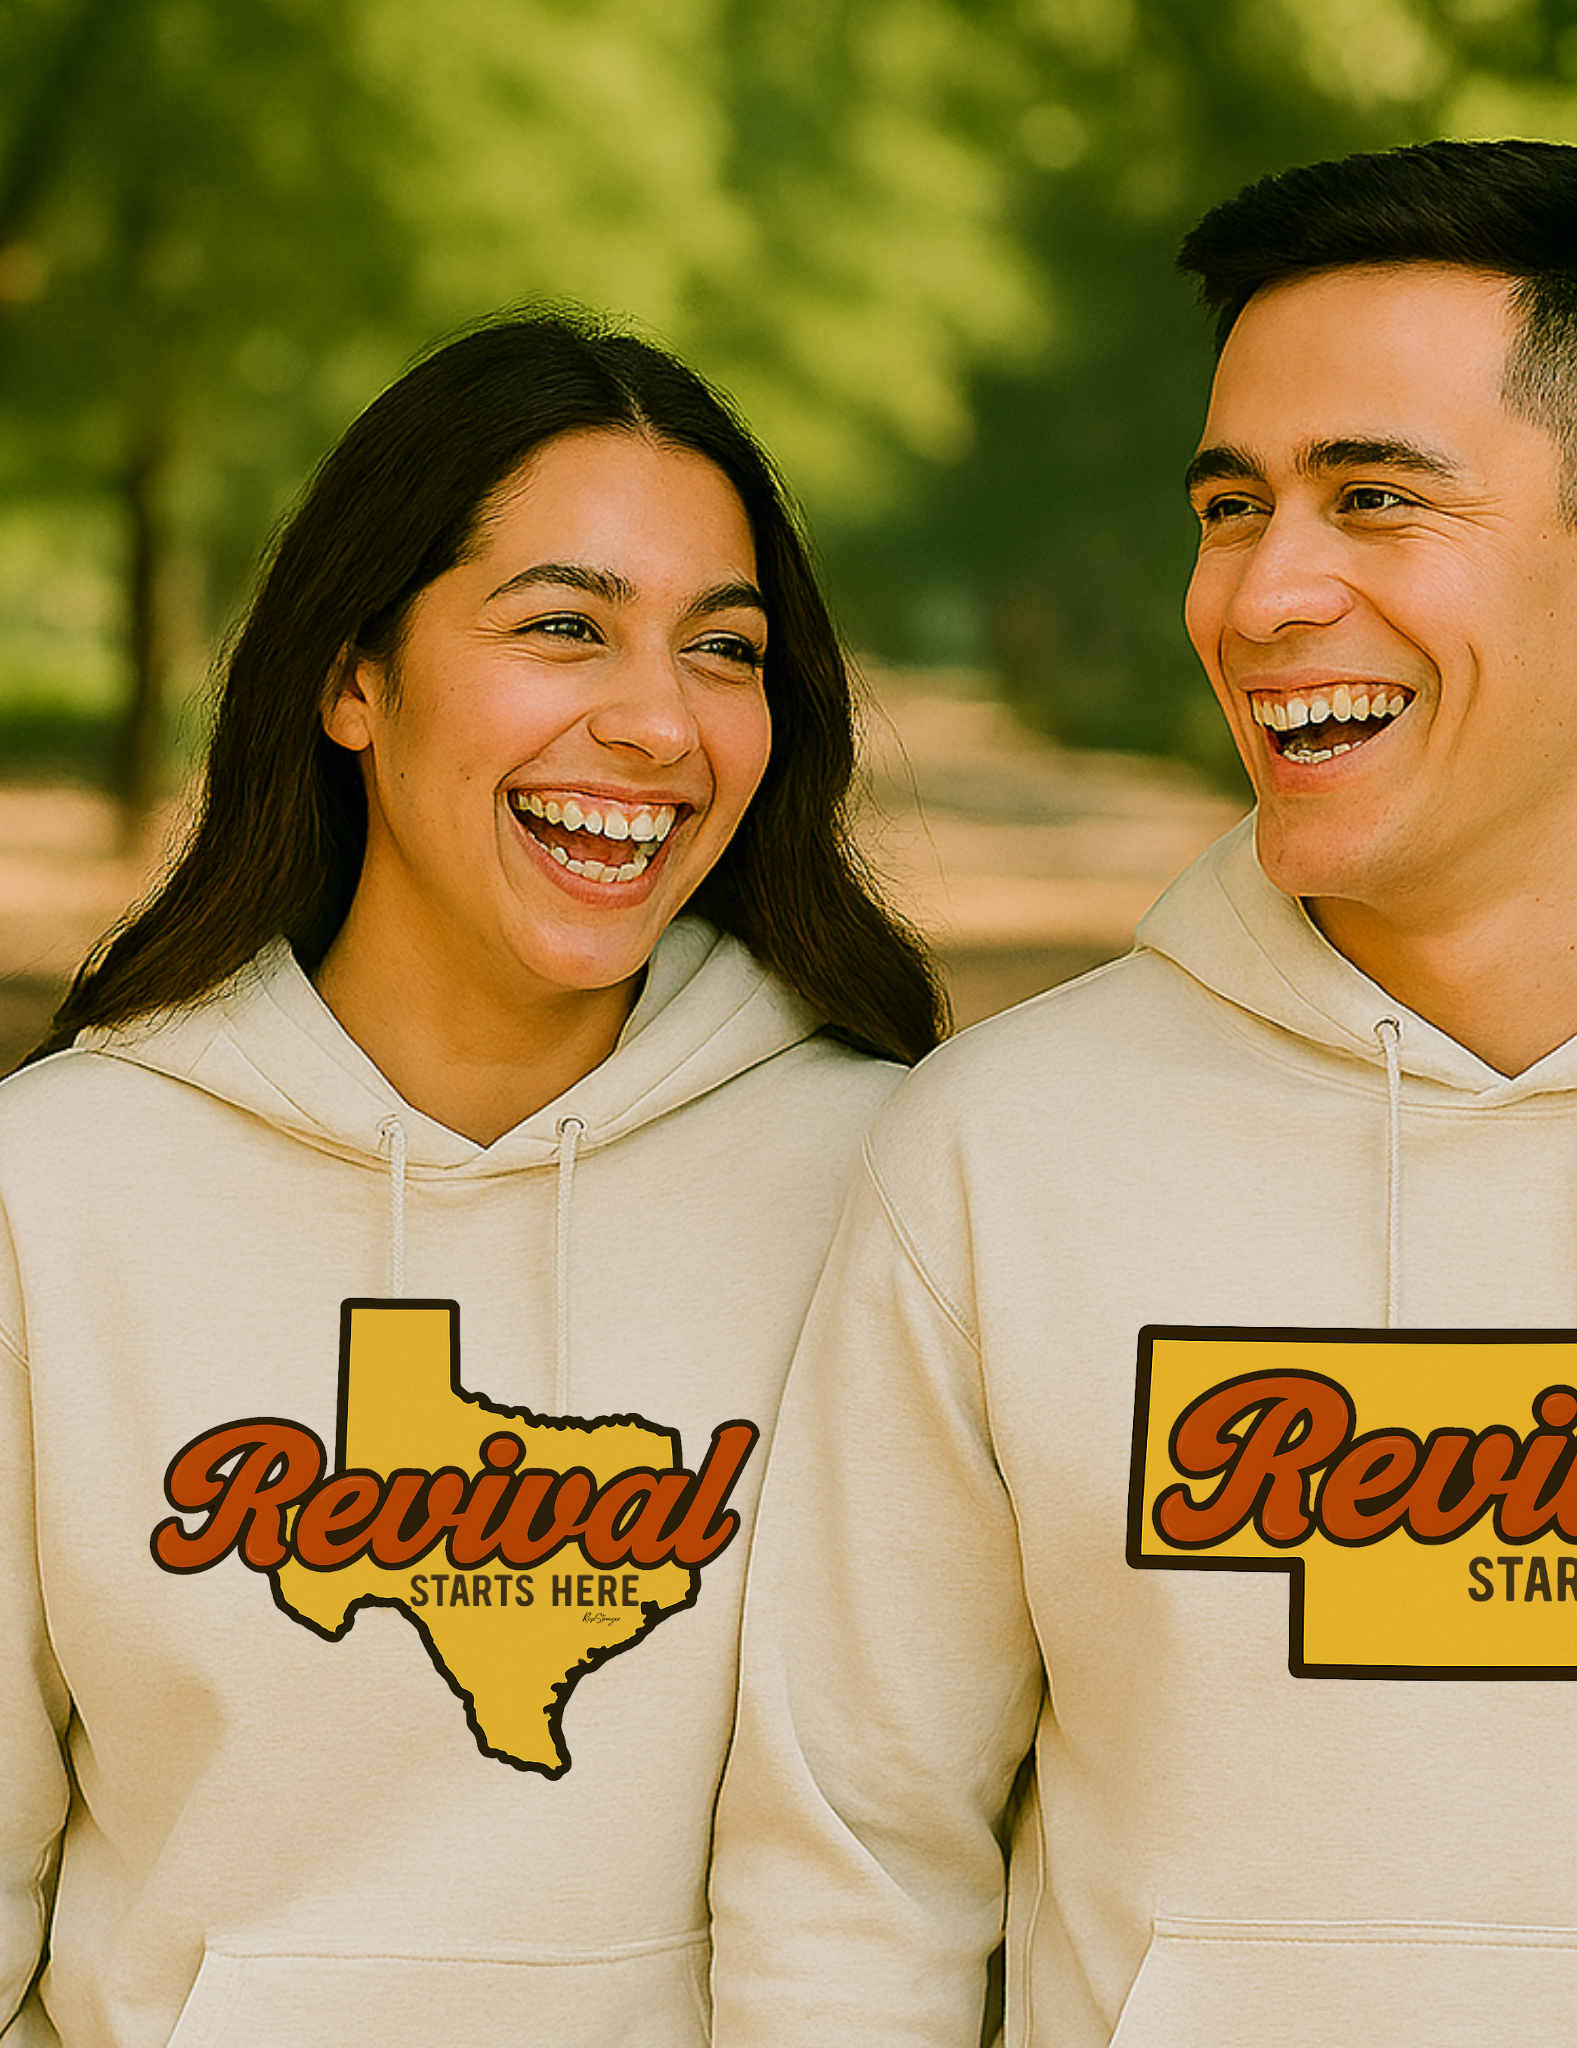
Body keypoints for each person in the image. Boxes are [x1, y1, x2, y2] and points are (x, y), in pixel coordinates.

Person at [708, 140, 1577, 2046]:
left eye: (1375, 500)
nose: (1263, 598)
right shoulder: (1003, 1158)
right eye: (1233, 505)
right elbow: (851, 1879)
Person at [0, 312, 942, 2046]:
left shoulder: (892, 1179)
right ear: (355, 677)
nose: (658, 720)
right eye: (565, 627)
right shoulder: (52, 1193)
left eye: (723, 651)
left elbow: (932, 1856)